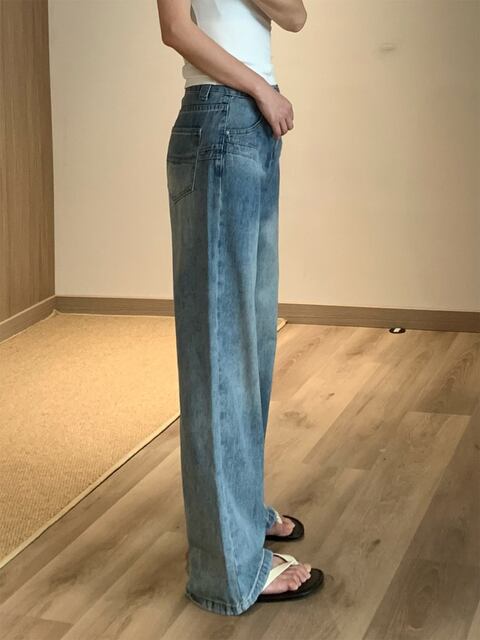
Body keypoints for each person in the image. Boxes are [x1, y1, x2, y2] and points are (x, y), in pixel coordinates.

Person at [157, 0, 324, 616]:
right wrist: (259, 88)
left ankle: (243, 515)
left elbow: (296, 15)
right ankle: (227, 571)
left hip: (252, 126)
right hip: (221, 117)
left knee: (250, 347)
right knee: (220, 358)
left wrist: (261, 96)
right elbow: (176, 29)